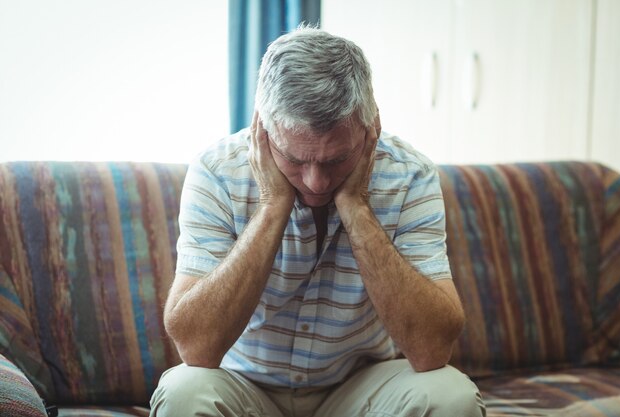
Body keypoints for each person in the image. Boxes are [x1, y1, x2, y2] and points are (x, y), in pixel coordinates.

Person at [150, 27, 485, 417]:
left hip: (360, 386)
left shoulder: (411, 176)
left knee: (450, 395)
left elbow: (432, 350)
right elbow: (195, 348)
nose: (316, 182)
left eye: (336, 159)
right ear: (263, 129)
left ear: (370, 126)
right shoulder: (217, 172)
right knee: (184, 392)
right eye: (294, 159)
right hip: (245, 387)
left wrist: (357, 207)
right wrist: (274, 204)